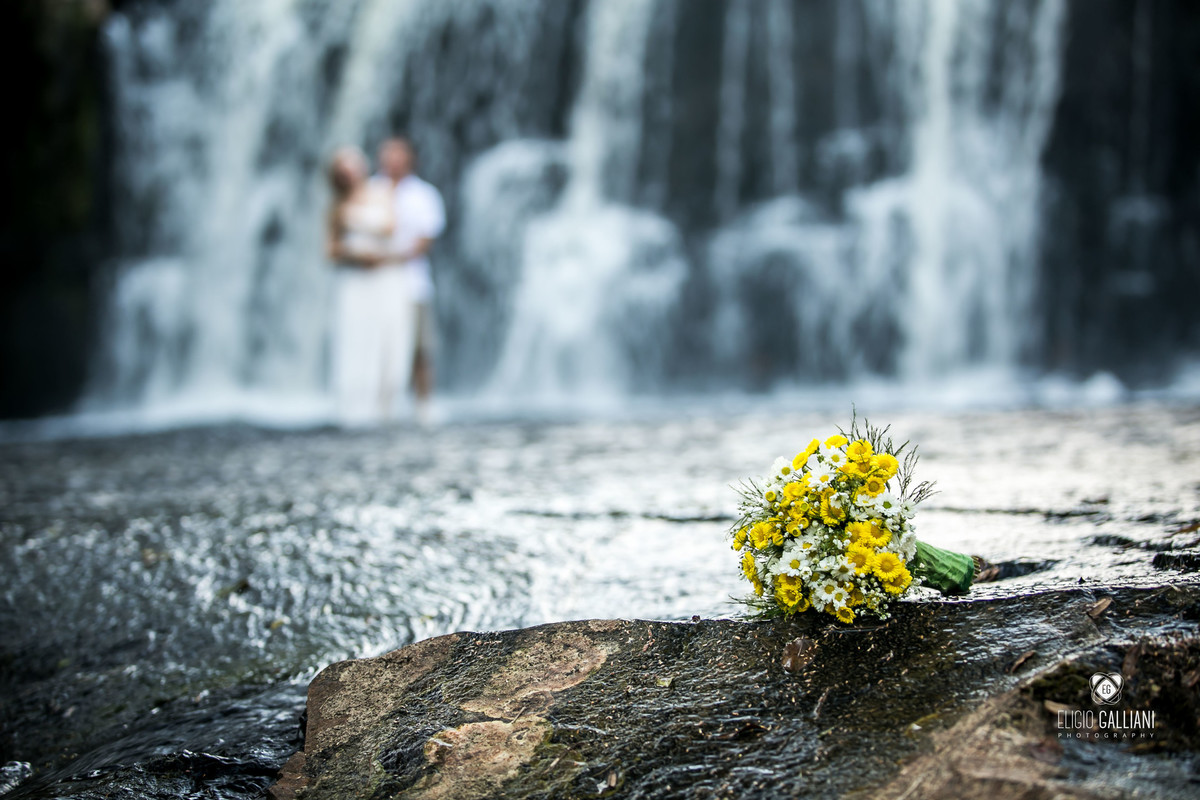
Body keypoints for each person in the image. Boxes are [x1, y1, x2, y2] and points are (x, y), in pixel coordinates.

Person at [326, 145, 415, 426]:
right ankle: (355, 406)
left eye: (353, 167)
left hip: (386, 277)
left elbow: (391, 227)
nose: (350, 174)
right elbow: (330, 250)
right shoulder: (336, 207)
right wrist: (356, 255)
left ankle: (388, 405)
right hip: (357, 279)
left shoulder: (383, 191)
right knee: (357, 338)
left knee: (392, 337)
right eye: (344, 170)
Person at [374, 137, 445, 422]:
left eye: (398, 155)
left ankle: (423, 405)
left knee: (420, 347)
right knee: (377, 346)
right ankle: (379, 404)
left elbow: (425, 239)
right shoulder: (369, 189)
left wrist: (390, 258)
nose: (393, 161)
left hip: (413, 283)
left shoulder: (424, 195)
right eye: (388, 154)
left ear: (410, 158)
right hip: (374, 285)